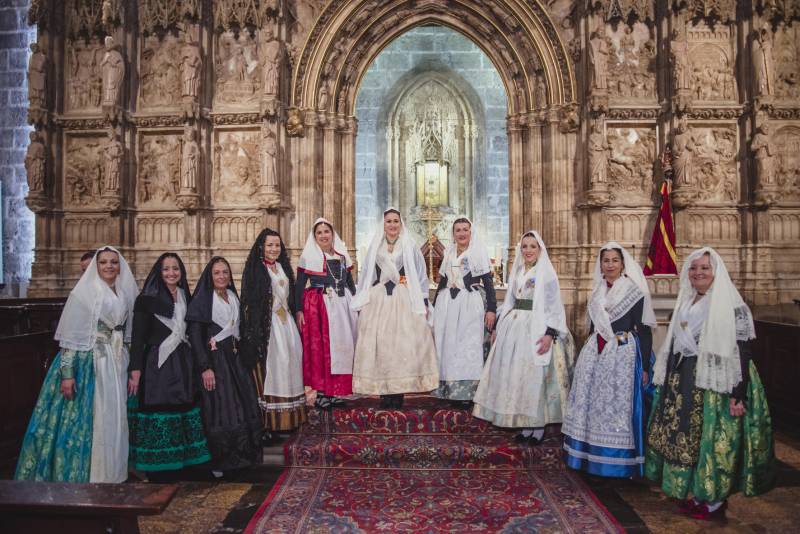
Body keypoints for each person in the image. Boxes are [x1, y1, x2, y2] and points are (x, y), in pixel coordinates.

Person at [646, 248, 775, 520]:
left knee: (713, 442)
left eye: (704, 267)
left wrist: (737, 394)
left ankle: (715, 500)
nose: (698, 273)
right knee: (690, 440)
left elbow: (742, 351)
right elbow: (676, 343)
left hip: (717, 384)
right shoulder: (687, 301)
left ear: (716, 271)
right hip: (686, 380)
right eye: (693, 268)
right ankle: (699, 493)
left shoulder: (730, 305)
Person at [16, 246, 138, 482]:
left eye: (114, 262)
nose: (109, 266)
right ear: (96, 265)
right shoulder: (84, 294)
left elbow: (127, 331)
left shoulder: (124, 293)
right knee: (93, 416)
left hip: (115, 360)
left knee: (114, 415)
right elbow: (70, 338)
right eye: (103, 262)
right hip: (90, 362)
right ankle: (91, 474)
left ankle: (113, 471)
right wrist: (68, 374)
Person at [562, 242, 656, 477]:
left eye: (615, 260)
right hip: (596, 351)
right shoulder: (597, 291)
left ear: (623, 263)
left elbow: (643, 331)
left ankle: (619, 464)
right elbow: (594, 326)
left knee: (618, 406)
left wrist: (645, 366)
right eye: (606, 260)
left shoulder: (633, 292)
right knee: (592, 404)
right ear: (600, 264)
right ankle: (591, 458)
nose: (610, 264)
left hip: (622, 354)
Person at [473, 231, 575, 443]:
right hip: (515, 328)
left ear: (540, 249)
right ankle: (525, 425)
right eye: (525, 246)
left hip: (536, 328)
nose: (528, 250)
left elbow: (554, 306)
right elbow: (510, 301)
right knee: (518, 376)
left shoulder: (546, 273)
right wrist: (499, 329)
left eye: (533, 246)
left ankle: (537, 428)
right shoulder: (517, 270)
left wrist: (549, 334)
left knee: (534, 378)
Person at [128, 253, 211, 474]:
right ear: (158, 271)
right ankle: (159, 466)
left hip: (183, 362)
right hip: (158, 363)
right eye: (166, 269)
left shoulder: (186, 296)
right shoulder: (147, 298)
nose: (171, 273)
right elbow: (137, 337)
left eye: (176, 269)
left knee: (185, 406)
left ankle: (185, 461)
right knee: (161, 406)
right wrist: (135, 369)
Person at [351, 208, 438, 408]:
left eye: (395, 221)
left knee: (401, 345)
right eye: (388, 221)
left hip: (403, 298)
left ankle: (398, 391)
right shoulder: (375, 246)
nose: (392, 225)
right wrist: (365, 297)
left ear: (401, 224)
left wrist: (422, 300)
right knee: (381, 344)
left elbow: (420, 275)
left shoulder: (410, 246)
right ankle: (384, 391)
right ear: (383, 224)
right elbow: (368, 276)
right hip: (379, 299)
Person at [187, 256, 262, 475]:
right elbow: (195, 334)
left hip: (235, 358)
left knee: (243, 403)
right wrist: (205, 367)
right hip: (216, 361)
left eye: (225, 272)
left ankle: (243, 458)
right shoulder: (203, 300)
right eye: (217, 273)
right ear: (210, 277)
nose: (222, 276)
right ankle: (221, 462)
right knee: (222, 408)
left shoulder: (232, 296)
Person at [240, 229, 307, 432]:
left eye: (277, 245)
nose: (274, 249)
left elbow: (292, 294)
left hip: (286, 324)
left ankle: (291, 420)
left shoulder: (282, 267)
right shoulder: (255, 269)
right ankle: (271, 423)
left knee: (290, 366)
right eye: (269, 245)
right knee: (274, 369)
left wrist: (297, 311)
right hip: (268, 327)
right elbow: (250, 301)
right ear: (261, 246)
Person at [432, 217, 496, 406]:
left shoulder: (477, 252)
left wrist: (491, 309)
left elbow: (489, 284)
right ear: (453, 234)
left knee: (468, 346)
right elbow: (443, 281)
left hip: (470, 305)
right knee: (449, 347)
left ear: (471, 232)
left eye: (465, 230)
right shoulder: (450, 252)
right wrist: (434, 307)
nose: (461, 233)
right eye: (458, 230)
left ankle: (467, 392)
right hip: (448, 305)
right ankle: (450, 391)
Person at [295, 218, 357, 409]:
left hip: (341, 305)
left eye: (326, 231)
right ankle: (321, 393)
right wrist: (298, 310)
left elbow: (349, 283)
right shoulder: (308, 257)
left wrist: (356, 303)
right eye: (319, 233)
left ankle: (335, 391)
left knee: (340, 348)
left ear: (333, 234)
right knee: (322, 349)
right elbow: (298, 286)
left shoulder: (342, 256)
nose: (323, 235)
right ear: (314, 237)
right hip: (319, 307)